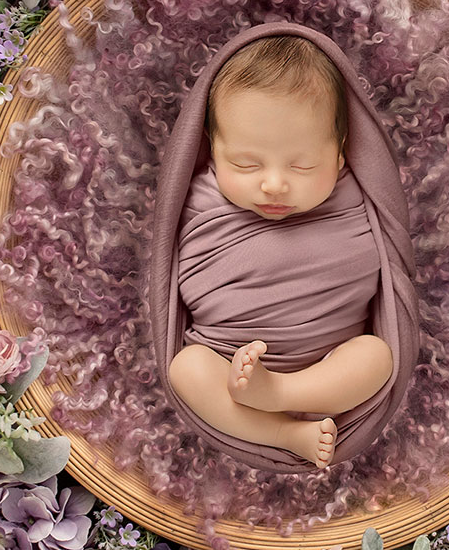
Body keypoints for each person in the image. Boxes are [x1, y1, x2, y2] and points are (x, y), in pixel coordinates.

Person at [166, 35, 395, 469]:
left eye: (302, 165)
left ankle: (282, 394)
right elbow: (173, 264)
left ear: (342, 150)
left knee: (377, 356)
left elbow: (391, 255)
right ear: (211, 148)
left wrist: (280, 390)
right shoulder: (198, 199)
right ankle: (285, 433)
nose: (274, 184)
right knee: (186, 368)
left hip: (329, 365)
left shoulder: (354, 193)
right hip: (225, 362)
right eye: (246, 165)